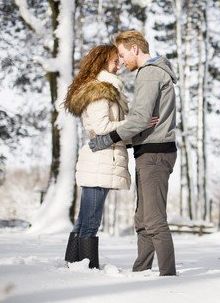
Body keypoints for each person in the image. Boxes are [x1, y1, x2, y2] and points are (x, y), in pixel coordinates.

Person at [88, 30, 178, 276]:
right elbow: (145, 122)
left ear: (135, 49)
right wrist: (129, 141)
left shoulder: (148, 74)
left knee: (154, 219)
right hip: (150, 152)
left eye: (122, 53)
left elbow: (140, 119)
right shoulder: (153, 73)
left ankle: (168, 276)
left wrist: (109, 138)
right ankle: (141, 270)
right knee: (142, 219)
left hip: (155, 155)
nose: (121, 60)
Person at [62, 44, 157, 269]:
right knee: (91, 220)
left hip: (102, 157)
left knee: (85, 218)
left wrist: (135, 129)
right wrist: (136, 123)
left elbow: (113, 130)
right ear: (104, 60)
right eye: (115, 59)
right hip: (99, 159)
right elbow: (102, 126)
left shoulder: (107, 89)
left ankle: (74, 262)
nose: (119, 63)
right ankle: (86, 265)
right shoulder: (99, 90)